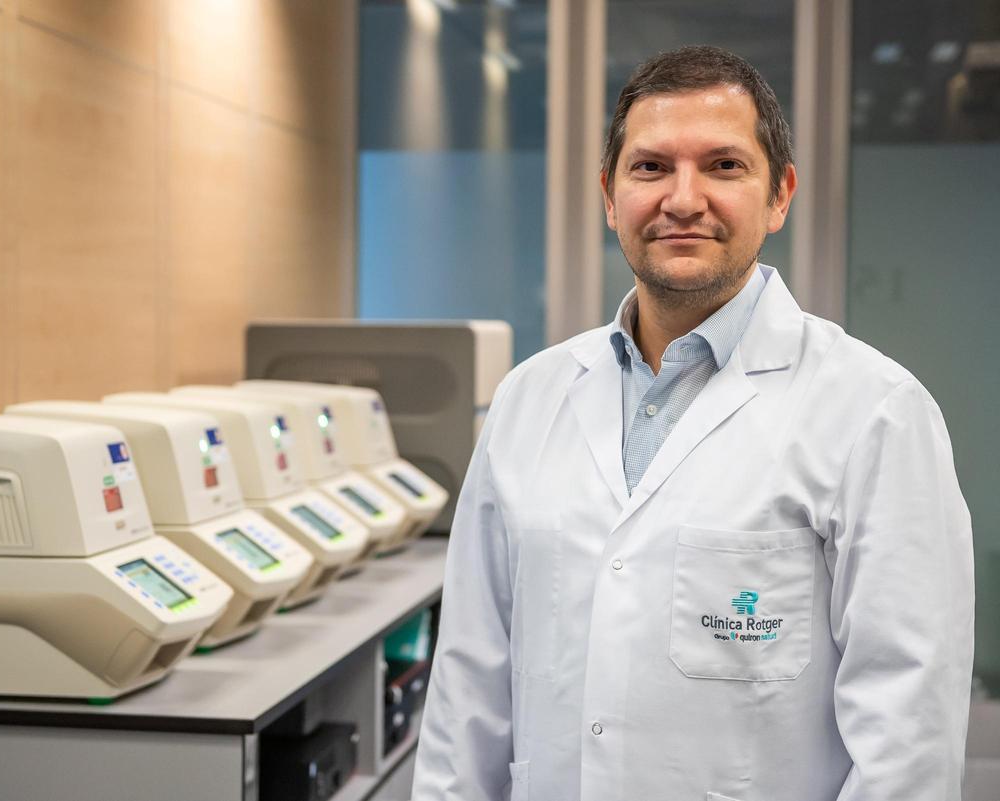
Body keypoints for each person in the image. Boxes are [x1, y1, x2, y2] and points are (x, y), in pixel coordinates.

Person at [411, 45, 974, 801]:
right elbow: (467, 695)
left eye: (723, 165)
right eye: (650, 168)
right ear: (610, 196)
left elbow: (909, 739)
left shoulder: (875, 413)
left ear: (780, 196)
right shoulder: (529, 399)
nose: (683, 198)